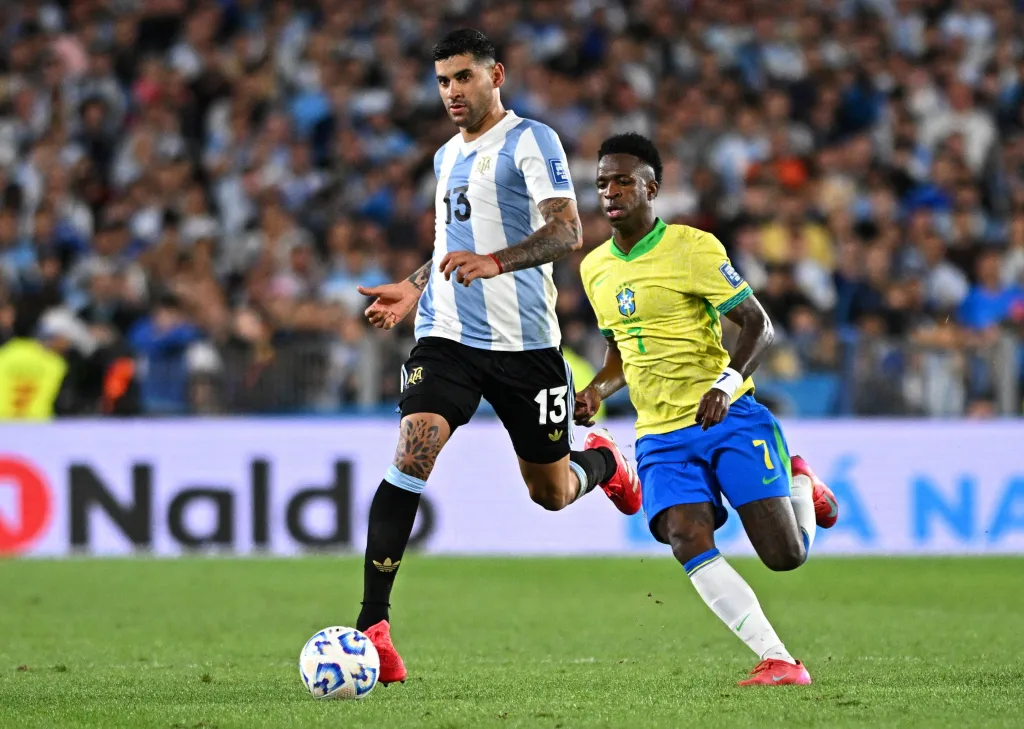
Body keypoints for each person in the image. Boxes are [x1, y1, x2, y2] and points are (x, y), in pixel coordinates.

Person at [353, 30, 641, 685]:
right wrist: (414, 282)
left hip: (527, 348)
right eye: (443, 81)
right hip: (447, 337)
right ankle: (376, 627)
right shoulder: (443, 158)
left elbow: (568, 229)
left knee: (552, 492)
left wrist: (497, 262)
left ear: (496, 75)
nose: (452, 92)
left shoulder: (530, 140)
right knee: (411, 450)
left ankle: (604, 462)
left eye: (463, 77)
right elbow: (454, 243)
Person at [574, 133, 840, 687]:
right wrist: (599, 388)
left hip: (728, 418)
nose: (609, 190)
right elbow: (623, 349)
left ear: (652, 187)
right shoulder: (595, 268)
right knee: (684, 537)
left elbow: (759, 325)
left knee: (784, 557)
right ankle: (780, 660)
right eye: (601, 181)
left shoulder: (693, 248)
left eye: (623, 179)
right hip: (660, 435)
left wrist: (725, 381)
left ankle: (801, 485)